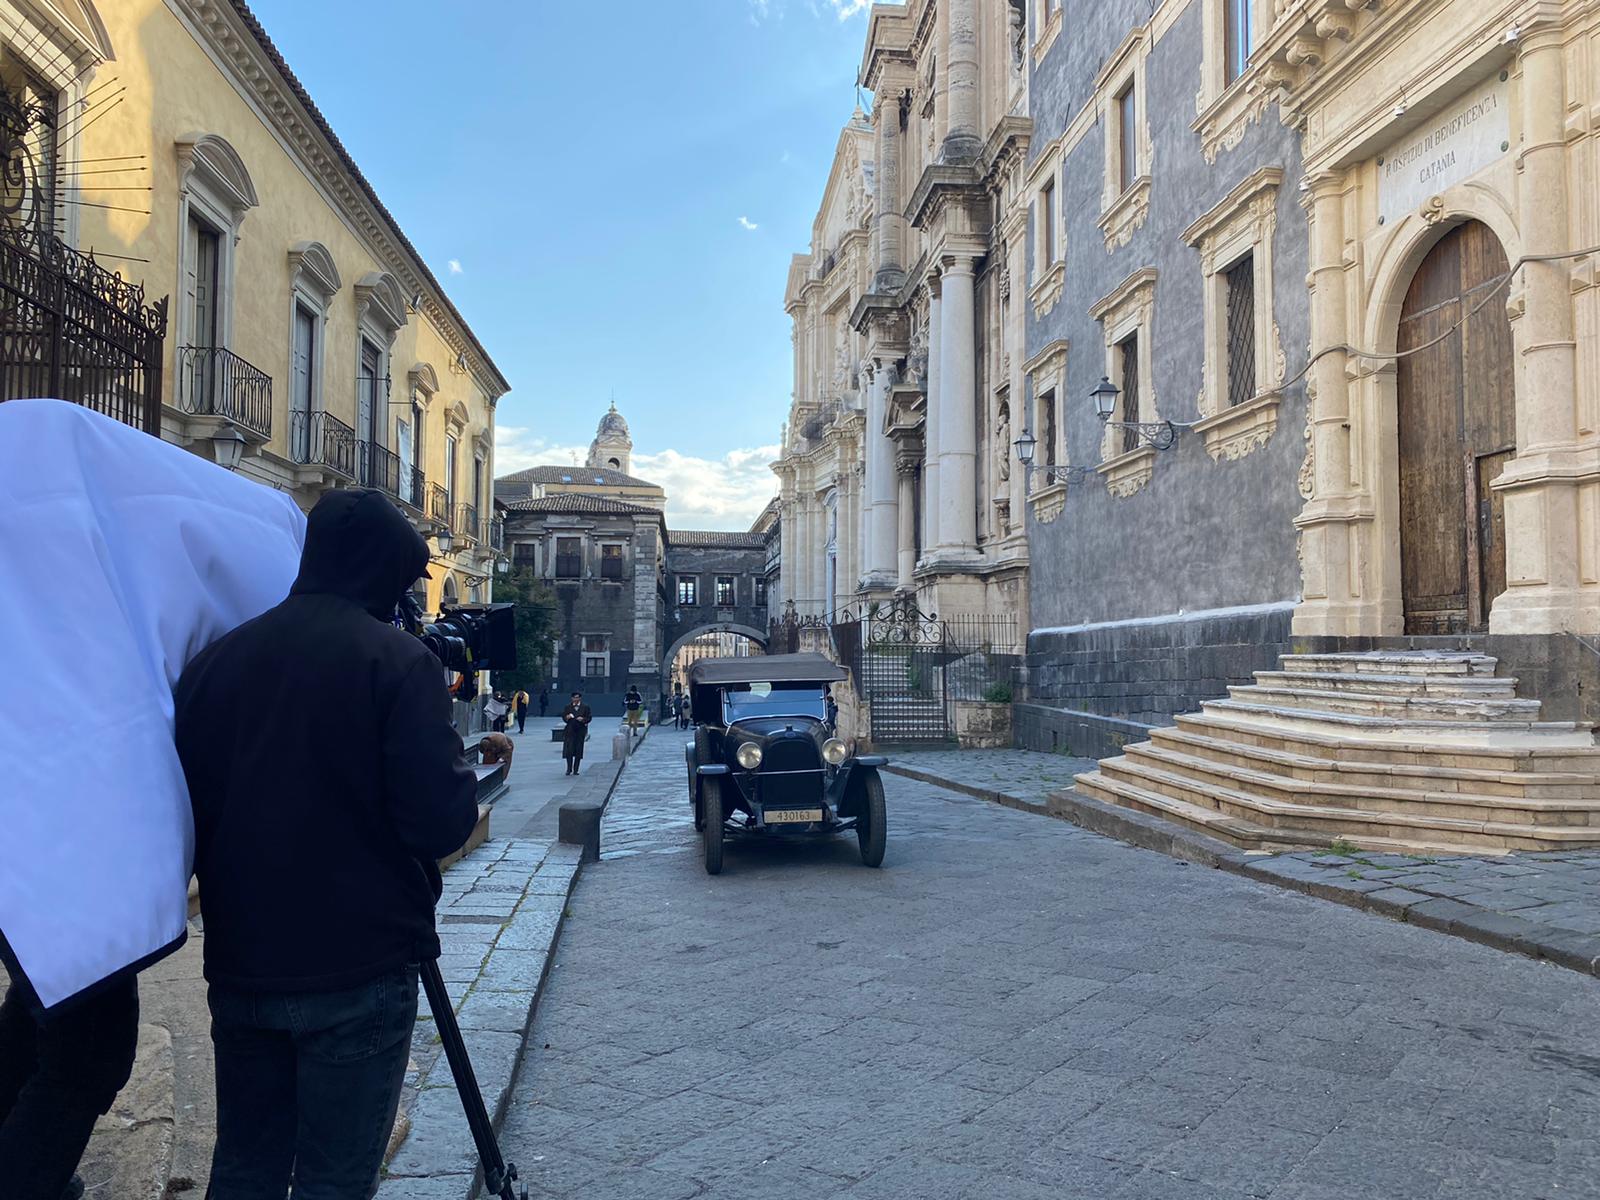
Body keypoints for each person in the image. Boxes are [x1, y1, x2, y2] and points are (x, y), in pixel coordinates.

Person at [173, 489, 479, 1199]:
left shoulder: (213, 662)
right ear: (387, 573)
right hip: (359, 966)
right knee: (333, 1182)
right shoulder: (398, 662)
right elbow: (438, 823)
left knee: (243, 1169)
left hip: (243, 964)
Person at [560, 692, 592, 776]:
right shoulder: (568, 707)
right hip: (570, 731)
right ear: (572, 698)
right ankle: (569, 769)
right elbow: (564, 717)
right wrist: (567, 717)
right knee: (569, 750)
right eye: (574, 697)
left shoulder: (585, 707)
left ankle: (576, 769)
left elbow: (589, 718)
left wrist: (583, 719)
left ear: (580, 698)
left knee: (578, 750)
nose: (576, 699)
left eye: (577, 697)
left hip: (580, 730)